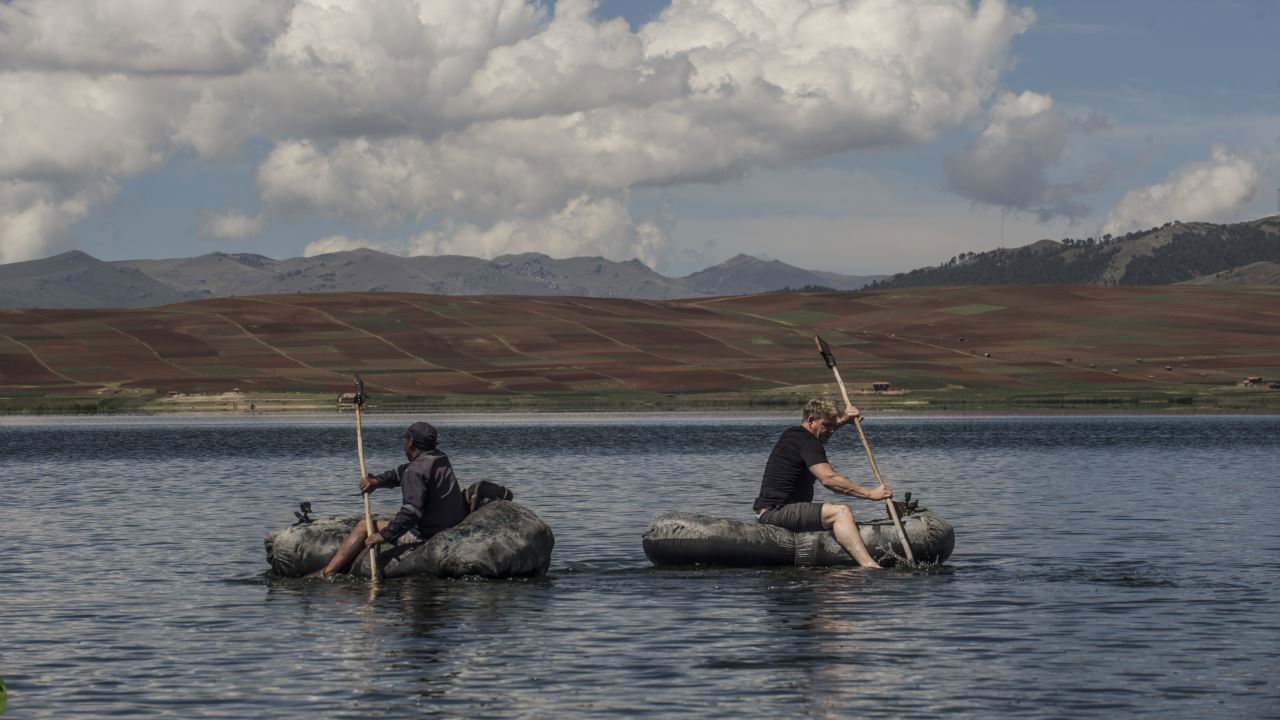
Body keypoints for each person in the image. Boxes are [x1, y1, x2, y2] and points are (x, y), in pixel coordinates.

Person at [307, 421, 468, 579]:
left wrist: (384, 535)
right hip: (450, 526)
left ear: (411, 442)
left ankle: (326, 572)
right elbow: (402, 472)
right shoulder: (440, 458)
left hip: (429, 533)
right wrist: (377, 481)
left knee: (364, 525)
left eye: (405, 441)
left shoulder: (415, 471)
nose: (404, 445)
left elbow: (411, 512)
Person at [753, 399, 892, 569]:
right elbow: (829, 479)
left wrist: (845, 420)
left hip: (771, 510)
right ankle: (870, 566)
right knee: (840, 512)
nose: (832, 431)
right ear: (811, 420)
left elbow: (824, 428)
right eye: (828, 426)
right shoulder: (808, 442)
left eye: (834, 426)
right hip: (777, 512)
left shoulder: (794, 434)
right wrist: (870, 494)